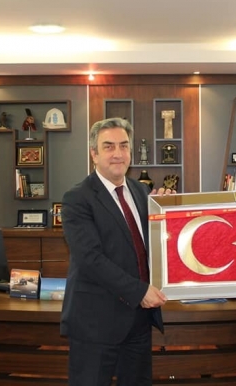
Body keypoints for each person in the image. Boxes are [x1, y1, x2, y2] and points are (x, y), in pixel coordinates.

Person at [60, 117, 171, 386]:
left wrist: (167, 214)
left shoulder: (141, 191)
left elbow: (148, 245)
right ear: (94, 154)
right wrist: (139, 291)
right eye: (108, 146)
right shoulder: (77, 198)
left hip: (138, 321)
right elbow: (90, 259)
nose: (118, 153)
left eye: (123, 145)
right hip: (95, 324)